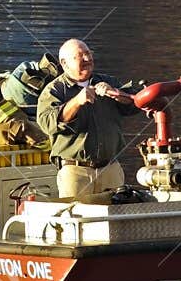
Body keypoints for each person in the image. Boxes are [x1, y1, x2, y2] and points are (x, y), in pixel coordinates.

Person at [36, 39, 137, 199]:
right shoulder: (54, 91)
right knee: (76, 219)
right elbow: (47, 123)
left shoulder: (108, 81)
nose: (87, 59)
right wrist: (76, 102)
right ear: (64, 63)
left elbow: (135, 103)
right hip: (75, 173)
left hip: (111, 169)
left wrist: (116, 93)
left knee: (116, 219)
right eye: (79, 56)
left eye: (88, 54)